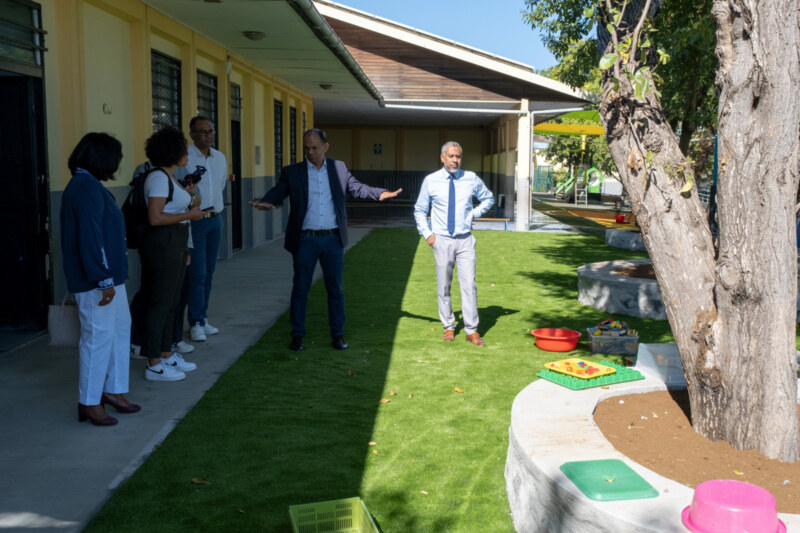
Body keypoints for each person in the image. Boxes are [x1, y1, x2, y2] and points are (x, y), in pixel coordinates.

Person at [249, 128, 401, 351]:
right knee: (300, 289)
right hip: (305, 241)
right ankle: (298, 335)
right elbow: (279, 191)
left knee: (335, 289)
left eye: (315, 148)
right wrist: (267, 202)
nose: (310, 152)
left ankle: (338, 334)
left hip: (332, 240)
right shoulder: (293, 171)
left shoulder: (338, 168)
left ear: (325, 147)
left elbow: (357, 188)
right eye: (306, 149)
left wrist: (379, 193)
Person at [61, 132, 140, 426]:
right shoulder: (84, 188)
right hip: (96, 281)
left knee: (119, 331)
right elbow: (89, 237)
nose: (116, 165)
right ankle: (90, 402)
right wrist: (102, 279)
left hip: (109, 277)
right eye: (115, 159)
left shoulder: (89, 185)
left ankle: (115, 391)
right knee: (97, 339)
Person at [138, 126, 204, 381]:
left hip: (175, 242)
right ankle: (154, 361)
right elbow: (155, 217)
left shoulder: (170, 176)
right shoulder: (157, 178)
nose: (187, 153)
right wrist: (191, 213)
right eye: (183, 149)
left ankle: (166, 353)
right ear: (171, 151)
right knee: (160, 302)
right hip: (162, 244)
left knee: (172, 301)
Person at [413, 141, 494, 346]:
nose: (455, 160)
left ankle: (471, 330)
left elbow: (488, 199)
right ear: (442, 157)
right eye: (451, 156)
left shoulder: (471, 178)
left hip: (465, 240)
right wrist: (428, 235)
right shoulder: (431, 181)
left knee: (469, 286)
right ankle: (448, 326)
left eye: (458, 156)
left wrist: (472, 214)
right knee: (444, 286)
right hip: (442, 240)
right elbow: (420, 210)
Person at [175, 116, 228, 343]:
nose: (208, 135)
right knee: (198, 273)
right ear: (192, 134)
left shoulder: (220, 158)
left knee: (210, 272)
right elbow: (182, 188)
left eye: (210, 131)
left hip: (215, 219)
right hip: (195, 220)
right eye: (203, 131)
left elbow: (220, 186)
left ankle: (202, 317)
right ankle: (195, 321)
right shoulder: (185, 158)